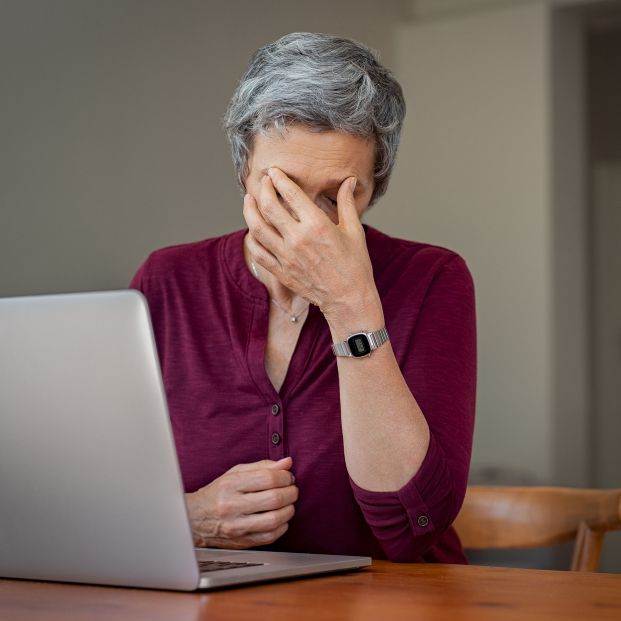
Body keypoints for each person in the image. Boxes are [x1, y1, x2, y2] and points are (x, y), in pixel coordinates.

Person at [130, 32, 476, 563]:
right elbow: (107, 492)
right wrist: (189, 518)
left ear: (375, 187)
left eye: (338, 195)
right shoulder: (166, 281)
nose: (308, 224)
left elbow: (413, 527)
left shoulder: (432, 278)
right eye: (283, 188)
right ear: (243, 168)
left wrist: (348, 303)